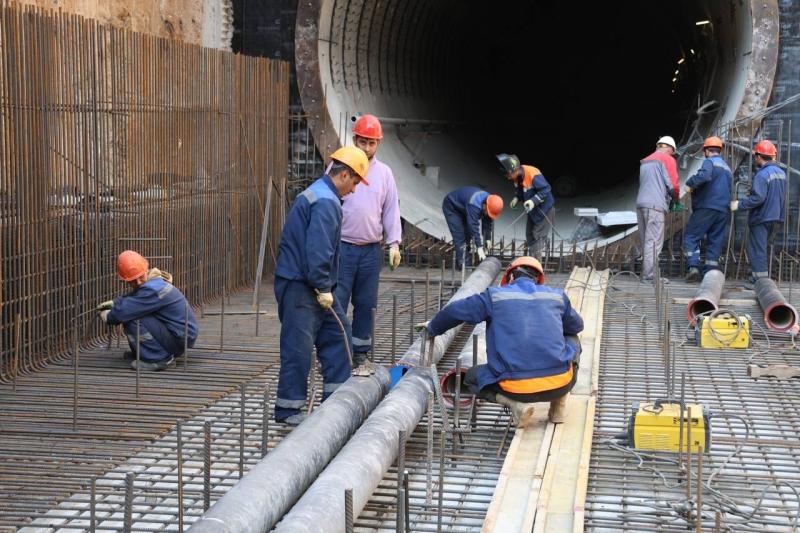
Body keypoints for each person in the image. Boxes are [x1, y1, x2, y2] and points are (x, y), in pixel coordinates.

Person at [419, 256, 583, 428]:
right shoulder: (557, 296)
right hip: (561, 384)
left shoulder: (494, 297)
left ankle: (516, 405)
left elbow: (455, 311)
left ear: (510, 277)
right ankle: (558, 406)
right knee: (572, 337)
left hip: (514, 388)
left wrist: (433, 328)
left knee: (471, 378)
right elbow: (577, 325)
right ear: (538, 279)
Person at [273, 145, 369, 425]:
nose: (353, 190)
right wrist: (323, 286)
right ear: (344, 175)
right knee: (298, 348)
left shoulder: (322, 194)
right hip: (302, 286)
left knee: (339, 337)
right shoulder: (326, 201)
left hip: (312, 284)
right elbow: (319, 249)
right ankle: (289, 409)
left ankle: (336, 403)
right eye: (354, 182)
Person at [335, 115, 402, 371]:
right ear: (354, 140)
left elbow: (390, 210)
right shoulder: (339, 167)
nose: (366, 148)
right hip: (342, 248)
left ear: (378, 144)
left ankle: (360, 352)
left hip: (370, 251)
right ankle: (336, 351)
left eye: (371, 143)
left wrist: (394, 243)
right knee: (338, 301)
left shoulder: (384, 174)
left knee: (365, 303)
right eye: (363, 142)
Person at [97, 250, 198, 371]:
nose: (138, 282)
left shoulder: (152, 289)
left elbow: (125, 311)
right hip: (178, 335)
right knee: (133, 312)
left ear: (146, 269)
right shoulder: (154, 283)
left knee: (132, 317)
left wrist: (108, 316)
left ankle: (160, 358)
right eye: (133, 280)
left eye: (140, 277)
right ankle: (143, 352)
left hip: (178, 339)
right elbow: (134, 298)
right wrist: (115, 302)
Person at [730, 140, 786, 286]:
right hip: (776, 217)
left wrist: (739, 204)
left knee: (757, 250)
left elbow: (759, 198)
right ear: (773, 156)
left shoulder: (761, 175)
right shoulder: (781, 173)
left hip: (762, 217)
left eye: (755, 156)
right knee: (767, 249)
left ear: (759, 156)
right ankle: (767, 280)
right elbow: (773, 194)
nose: (755, 159)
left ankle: (759, 281)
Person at [682, 136, 733, 282]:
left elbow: (704, 176)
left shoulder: (709, 162)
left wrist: (690, 183)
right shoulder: (727, 168)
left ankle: (693, 267)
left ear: (706, 150)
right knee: (715, 240)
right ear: (720, 150)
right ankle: (711, 273)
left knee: (691, 236)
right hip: (722, 210)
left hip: (706, 207)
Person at [636, 136, 680, 281]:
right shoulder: (667, 159)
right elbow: (673, 185)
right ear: (669, 148)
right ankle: (649, 276)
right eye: (673, 152)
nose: (673, 155)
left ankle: (647, 273)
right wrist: (676, 199)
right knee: (654, 242)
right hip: (655, 206)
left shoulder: (645, 161)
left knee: (646, 241)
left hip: (641, 204)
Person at [496, 153, 555, 258]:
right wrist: (516, 198)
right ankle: (532, 261)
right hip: (533, 210)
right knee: (529, 234)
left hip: (544, 210)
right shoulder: (517, 176)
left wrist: (533, 201)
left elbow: (546, 188)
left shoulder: (532, 173)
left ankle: (536, 267)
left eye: (508, 175)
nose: (508, 177)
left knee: (537, 235)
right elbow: (520, 189)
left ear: (513, 170)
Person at [442, 186, 503, 268]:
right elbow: (473, 226)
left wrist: (487, 238)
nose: (488, 215)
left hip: (463, 208)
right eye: (487, 212)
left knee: (467, 236)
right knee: (460, 237)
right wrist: (479, 247)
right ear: (485, 205)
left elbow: (487, 221)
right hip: (452, 207)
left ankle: (462, 260)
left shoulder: (490, 202)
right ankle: (465, 266)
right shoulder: (474, 204)